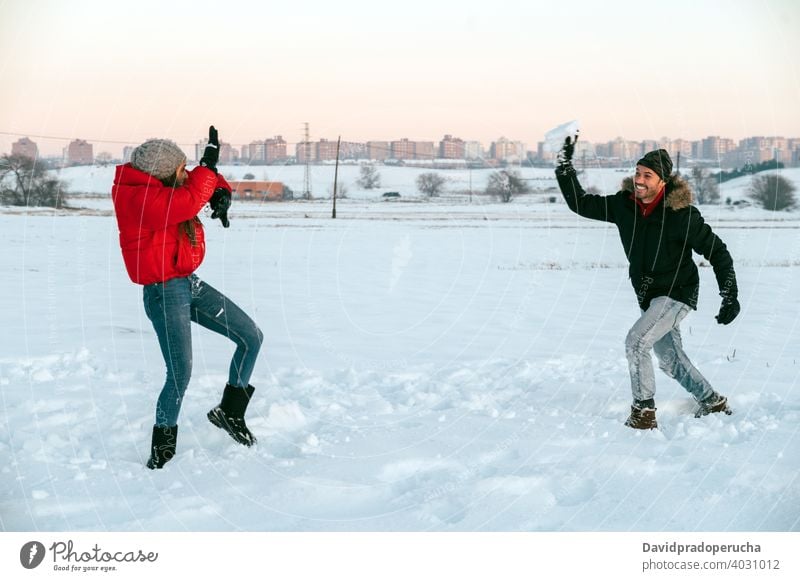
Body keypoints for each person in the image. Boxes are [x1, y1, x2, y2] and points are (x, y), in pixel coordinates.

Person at [555, 135, 740, 429]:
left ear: (662, 181)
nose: (639, 180)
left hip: (678, 293)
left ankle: (643, 413)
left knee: (637, 342)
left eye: (647, 175)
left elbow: (717, 251)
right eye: (638, 173)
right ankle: (712, 401)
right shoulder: (623, 206)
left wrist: (729, 295)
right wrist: (565, 167)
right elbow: (580, 203)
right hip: (650, 297)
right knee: (670, 360)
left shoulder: (682, 216)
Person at [112, 126, 263, 468]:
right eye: (181, 170)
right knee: (179, 374)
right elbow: (191, 197)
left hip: (187, 282)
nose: (186, 174)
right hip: (164, 293)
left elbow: (200, 184)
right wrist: (208, 166)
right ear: (164, 173)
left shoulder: (165, 183)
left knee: (251, 337)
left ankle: (229, 412)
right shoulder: (138, 198)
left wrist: (221, 192)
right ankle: (162, 453)